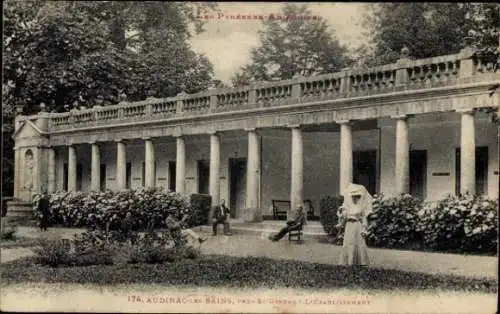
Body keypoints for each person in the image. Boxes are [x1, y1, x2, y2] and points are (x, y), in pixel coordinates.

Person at [337, 183, 373, 266]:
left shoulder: (361, 207)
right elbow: (344, 217)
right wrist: (341, 224)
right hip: (349, 225)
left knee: (359, 243)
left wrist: (364, 228)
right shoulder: (347, 206)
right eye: (353, 196)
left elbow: (364, 218)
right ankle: (348, 262)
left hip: (357, 225)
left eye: (356, 196)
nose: (354, 197)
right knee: (348, 243)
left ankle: (360, 262)